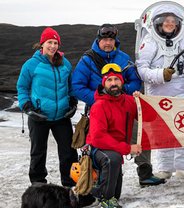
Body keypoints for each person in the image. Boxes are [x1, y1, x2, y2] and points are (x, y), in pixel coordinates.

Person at [71, 24, 164, 186]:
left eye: (111, 40)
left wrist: (122, 93)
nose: (108, 43)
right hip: (98, 108)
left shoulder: (123, 58)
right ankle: (100, 179)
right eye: (105, 40)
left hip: (124, 106)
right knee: (100, 141)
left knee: (140, 132)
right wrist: (100, 98)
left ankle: (145, 172)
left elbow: (135, 80)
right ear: (98, 40)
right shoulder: (87, 61)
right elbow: (77, 86)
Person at [136, 8, 184, 179]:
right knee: (162, 130)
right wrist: (160, 75)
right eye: (166, 21)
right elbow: (142, 70)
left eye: (173, 21)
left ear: (178, 24)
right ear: (158, 23)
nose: (169, 24)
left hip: (182, 92)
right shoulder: (150, 41)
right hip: (157, 93)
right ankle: (165, 168)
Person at [17, 27, 78, 187]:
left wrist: (73, 102)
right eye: (49, 42)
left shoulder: (65, 63)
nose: (53, 46)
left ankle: (70, 186)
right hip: (39, 116)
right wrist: (28, 107)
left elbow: (71, 86)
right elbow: (22, 87)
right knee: (38, 153)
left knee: (69, 153)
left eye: (55, 43)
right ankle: (38, 186)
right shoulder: (31, 65)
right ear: (42, 44)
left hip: (61, 117)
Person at [85, 64, 142, 207]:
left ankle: (94, 191)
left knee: (116, 194)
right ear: (104, 83)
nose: (113, 84)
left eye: (116, 79)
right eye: (109, 80)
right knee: (113, 159)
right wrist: (127, 148)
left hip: (115, 149)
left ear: (122, 82)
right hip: (97, 149)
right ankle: (104, 198)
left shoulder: (129, 101)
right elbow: (98, 138)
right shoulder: (99, 106)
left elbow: (146, 117)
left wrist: (141, 102)